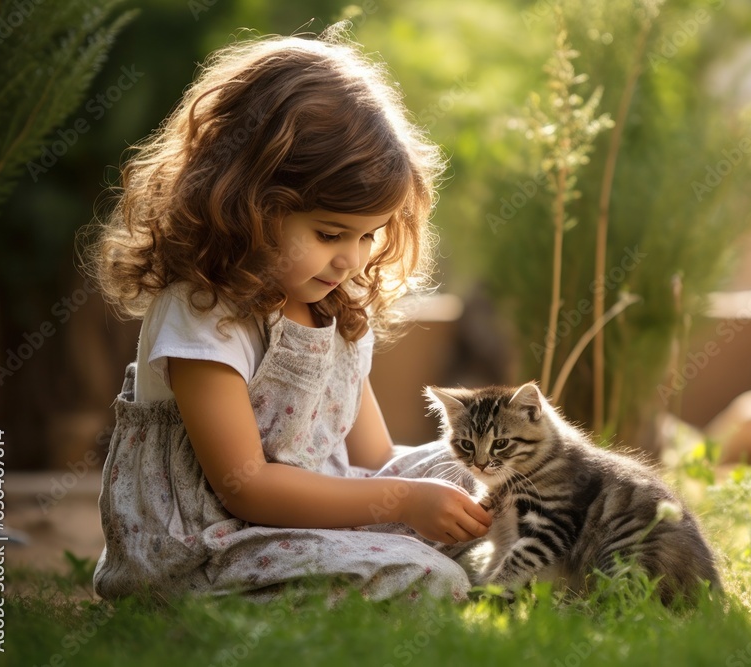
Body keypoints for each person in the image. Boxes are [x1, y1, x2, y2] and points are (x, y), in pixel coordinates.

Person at [81, 25, 492, 603]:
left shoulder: (333, 306)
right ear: (246, 203)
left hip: (309, 523)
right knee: (426, 578)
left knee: (488, 479)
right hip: (211, 544)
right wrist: (405, 504)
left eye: (370, 235)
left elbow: (374, 461)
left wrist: (447, 492)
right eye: (330, 233)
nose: (351, 259)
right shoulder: (204, 314)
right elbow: (246, 490)